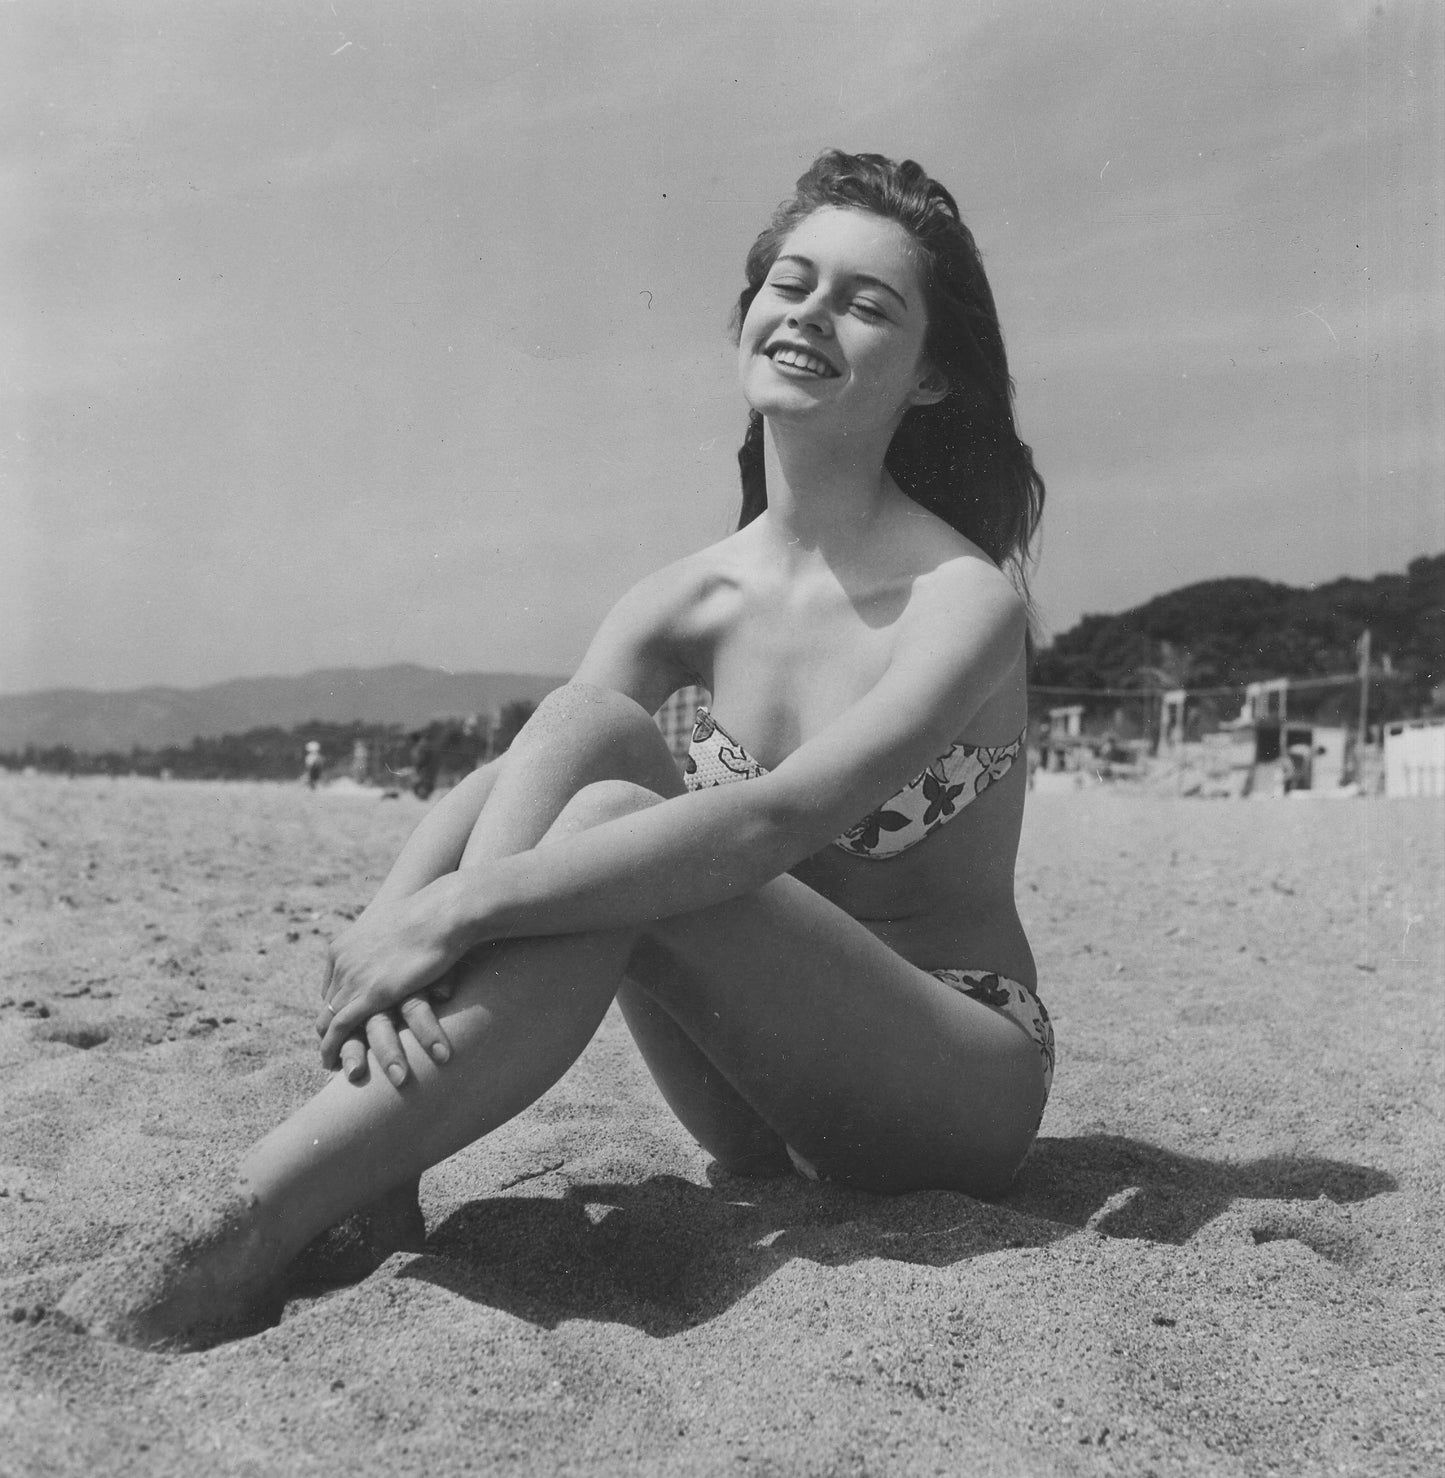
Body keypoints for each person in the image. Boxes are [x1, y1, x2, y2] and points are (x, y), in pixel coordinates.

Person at [61, 149, 1049, 1347]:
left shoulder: (961, 599)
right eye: (791, 282)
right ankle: (371, 1155)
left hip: (940, 1077)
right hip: (744, 1102)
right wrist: (388, 924)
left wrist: (460, 912)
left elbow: (773, 821)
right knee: (586, 728)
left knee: (608, 828)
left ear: (933, 373)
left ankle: (248, 1219)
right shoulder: (684, 599)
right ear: (747, 316)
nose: (810, 314)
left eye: (866, 301)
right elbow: (509, 778)